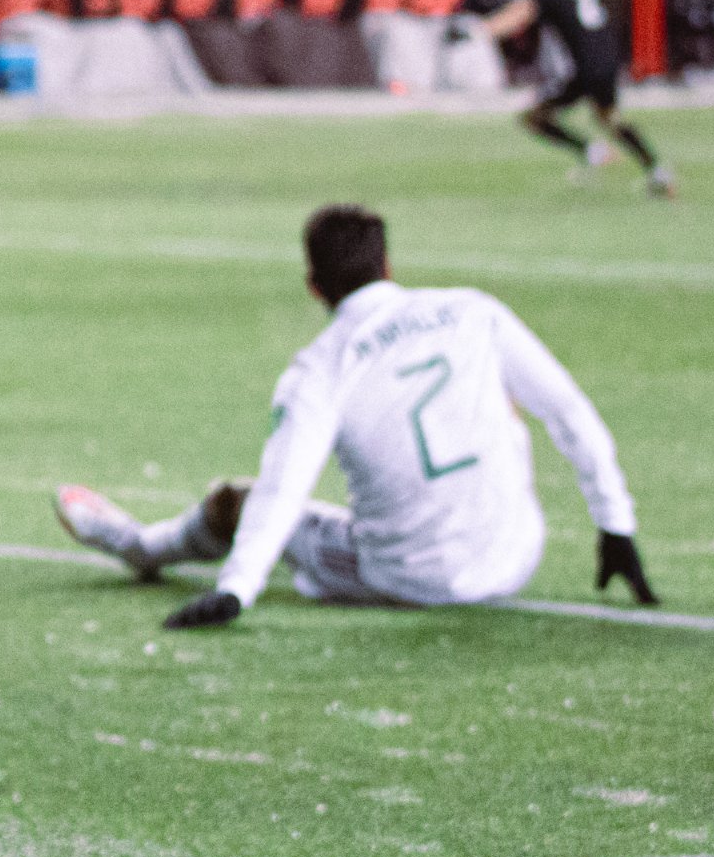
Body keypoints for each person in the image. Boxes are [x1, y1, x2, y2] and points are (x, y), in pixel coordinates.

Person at [54, 203, 655, 629]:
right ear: (388, 265)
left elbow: (282, 490)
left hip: (403, 578)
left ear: (314, 285)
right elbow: (570, 411)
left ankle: (140, 546)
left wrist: (236, 589)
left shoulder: (320, 369)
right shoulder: (474, 311)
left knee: (236, 500)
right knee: (501, 391)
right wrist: (616, 526)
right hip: (515, 557)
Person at [482, 0, 676, 196]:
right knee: (610, 119)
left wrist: (479, 30)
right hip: (609, 60)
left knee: (534, 118)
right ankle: (657, 172)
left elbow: (521, 14)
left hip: (583, 67)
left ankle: (594, 154)